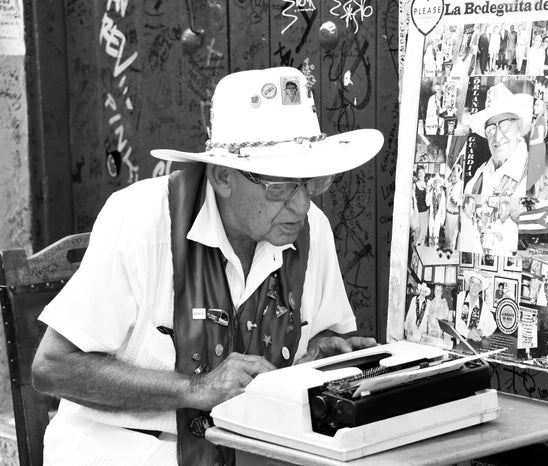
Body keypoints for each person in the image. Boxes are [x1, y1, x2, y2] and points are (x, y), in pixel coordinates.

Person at [30, 67, 383, 465]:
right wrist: (197, 388)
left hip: (260, 454)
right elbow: (52, 368)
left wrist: (320, 353)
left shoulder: (310, 229)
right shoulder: (141, 220)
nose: (301, 204)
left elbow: (318, 341)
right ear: (223, 177)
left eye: (312, 183)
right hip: (130, 451)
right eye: (280, 186)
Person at [465, 82, 533, 198]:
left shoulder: (532, 176)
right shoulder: (480, 173)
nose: (497, 137)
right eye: (491, 129)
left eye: (505, 125)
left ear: (519, 127)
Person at [455, 271, 497, 342]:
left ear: (481, 288)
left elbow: (493, 325)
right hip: (459, 340)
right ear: (469, 284)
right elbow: (458, 324)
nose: (475, 287)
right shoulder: (461, 297)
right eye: (473, 283)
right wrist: (468, 334)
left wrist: (480, 332)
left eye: (478, 285)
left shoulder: (482, 304)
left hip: (474, 342)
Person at [528, 97, 547, 195]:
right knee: (538, 169)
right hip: (537, 148)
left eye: (537, 105)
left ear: (542, 108)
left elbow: (540, 139)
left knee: (535, 171)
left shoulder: (540, 120)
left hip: (537, 149)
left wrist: (528, 143)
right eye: (535, 104)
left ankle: (536, 194)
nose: (535, 106)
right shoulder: (538, 119)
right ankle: (540, 187)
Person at [444, 165, 463, 250]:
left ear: (459, 174)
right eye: (452, 175)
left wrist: (457, 201)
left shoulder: (461, 185)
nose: (453, 177)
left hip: (455, 215)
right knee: (447, 239)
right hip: (447, 214)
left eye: (455, 175)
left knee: (452, 240)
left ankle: (450, 258)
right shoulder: (449, 185)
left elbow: (464, 200)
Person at [427, 175, 446, 248]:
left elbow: (443, 207)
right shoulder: (431, 191)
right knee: (430, 233)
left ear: (440, 184)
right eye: (436, 182)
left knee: (436, 234)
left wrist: (442, 220)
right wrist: (428, 192)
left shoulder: (442, 192)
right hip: (432, 215)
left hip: (438, 216)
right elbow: (427, 203)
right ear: (434, 183)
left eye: (438, 182)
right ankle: (429, 247)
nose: (437, 184)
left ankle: (435, 249)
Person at [413, 166, 430, 246]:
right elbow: (412, 199)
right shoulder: (414, 185)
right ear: (417, 174)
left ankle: (422, 248)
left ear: (424, 173)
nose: (420, 174)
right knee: (417, 232)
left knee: (423, 233)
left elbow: (430, 200)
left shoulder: (428, 185)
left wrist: (427, 190)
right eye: (419, 173)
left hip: (425, 212)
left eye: (422, 172)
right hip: (417, 213)